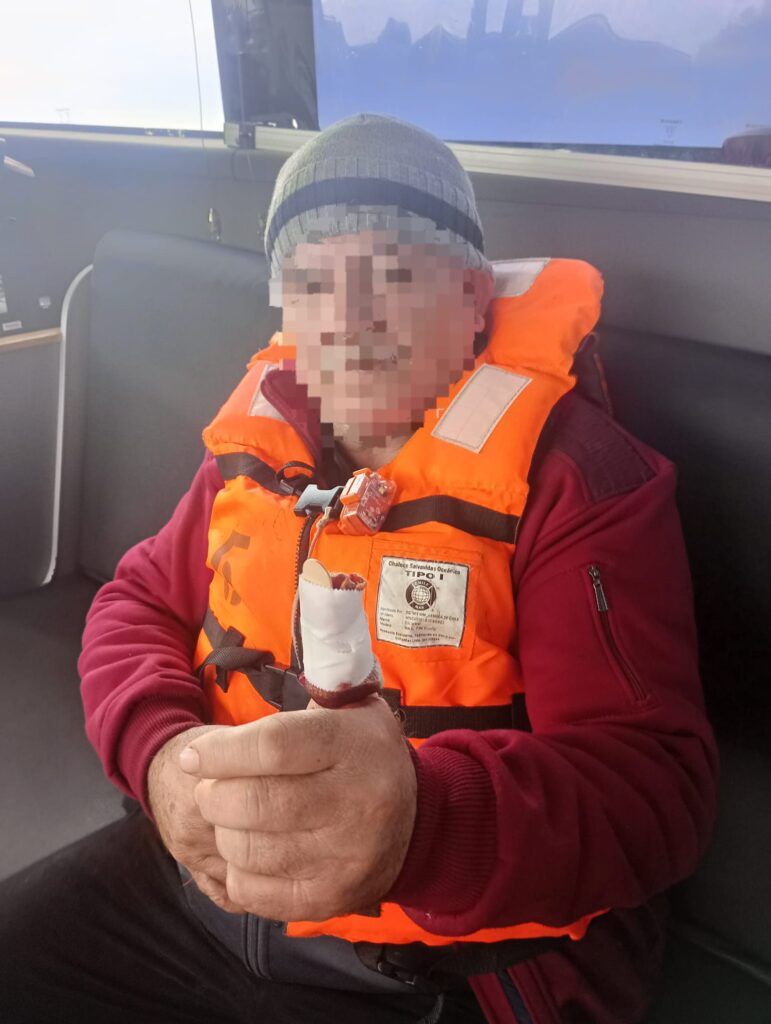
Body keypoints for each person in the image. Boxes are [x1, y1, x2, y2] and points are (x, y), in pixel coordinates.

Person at [0, 114, 719, 1024]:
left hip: (426, 970)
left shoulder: (578, 482)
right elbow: (135, 601)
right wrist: (160, 761)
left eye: (393, 274)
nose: (348, 320)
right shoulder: (262, 453)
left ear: (472, 295)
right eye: (311, 284)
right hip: (199, 892)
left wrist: (422, 822)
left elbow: (656, 792)